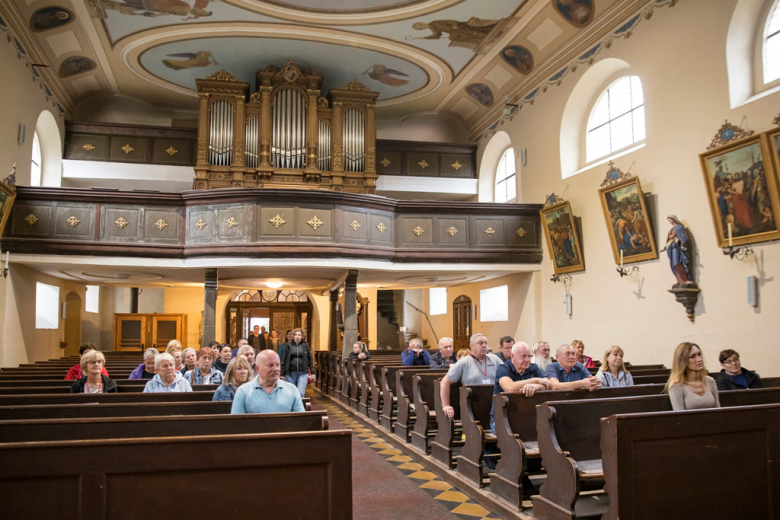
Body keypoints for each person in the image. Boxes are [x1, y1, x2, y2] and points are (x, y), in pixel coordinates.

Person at [490, 342, 551, 473]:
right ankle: (515, 475)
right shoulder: (503, 368)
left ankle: (530, 469)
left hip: (527, 419)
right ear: (512, 356)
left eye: (529, 356)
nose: (527, 360)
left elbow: (548, 385)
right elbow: (509, 387)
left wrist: (536, 386)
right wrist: (535, 381)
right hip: (502, 419)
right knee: (514, 442)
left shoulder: (534, 368)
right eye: (523, 356)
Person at [440, 333, 502, 419]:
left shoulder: (495, 359)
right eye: (480, 343)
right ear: (471, 346)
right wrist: (446, 405)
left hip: (495, 403)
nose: (484, 346)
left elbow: (507, 377)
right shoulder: (464, 362)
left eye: (486, 343)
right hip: (473, 405)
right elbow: (444, 382)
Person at [231, 351, 305, 414]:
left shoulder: (292, 389)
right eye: (270, 365)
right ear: (257, 369)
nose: (275, 369)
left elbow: (300, 421)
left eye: (277, 365)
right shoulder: (243, 391)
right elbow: (236, 423)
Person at [665, 342, 720, 410]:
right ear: (682, 361)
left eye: (699, 355)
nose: (699, 359)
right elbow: (679, 415)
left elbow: (718, 410)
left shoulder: (710, 381)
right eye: (692, 356)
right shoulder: (677, 385)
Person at [281, 328, 314, 399]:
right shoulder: (288, 345)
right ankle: (291, 409)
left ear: (302, 336)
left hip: (303, 372)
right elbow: (284, 359)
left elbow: (310, 359)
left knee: (301, 393)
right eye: (295, 335)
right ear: (293, 336)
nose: (297, 336)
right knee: (291, 393)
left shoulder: (305, 345)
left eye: (299, 335)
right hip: (291, 373)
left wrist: (313, 372)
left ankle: (300, 409)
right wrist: (282, 374)